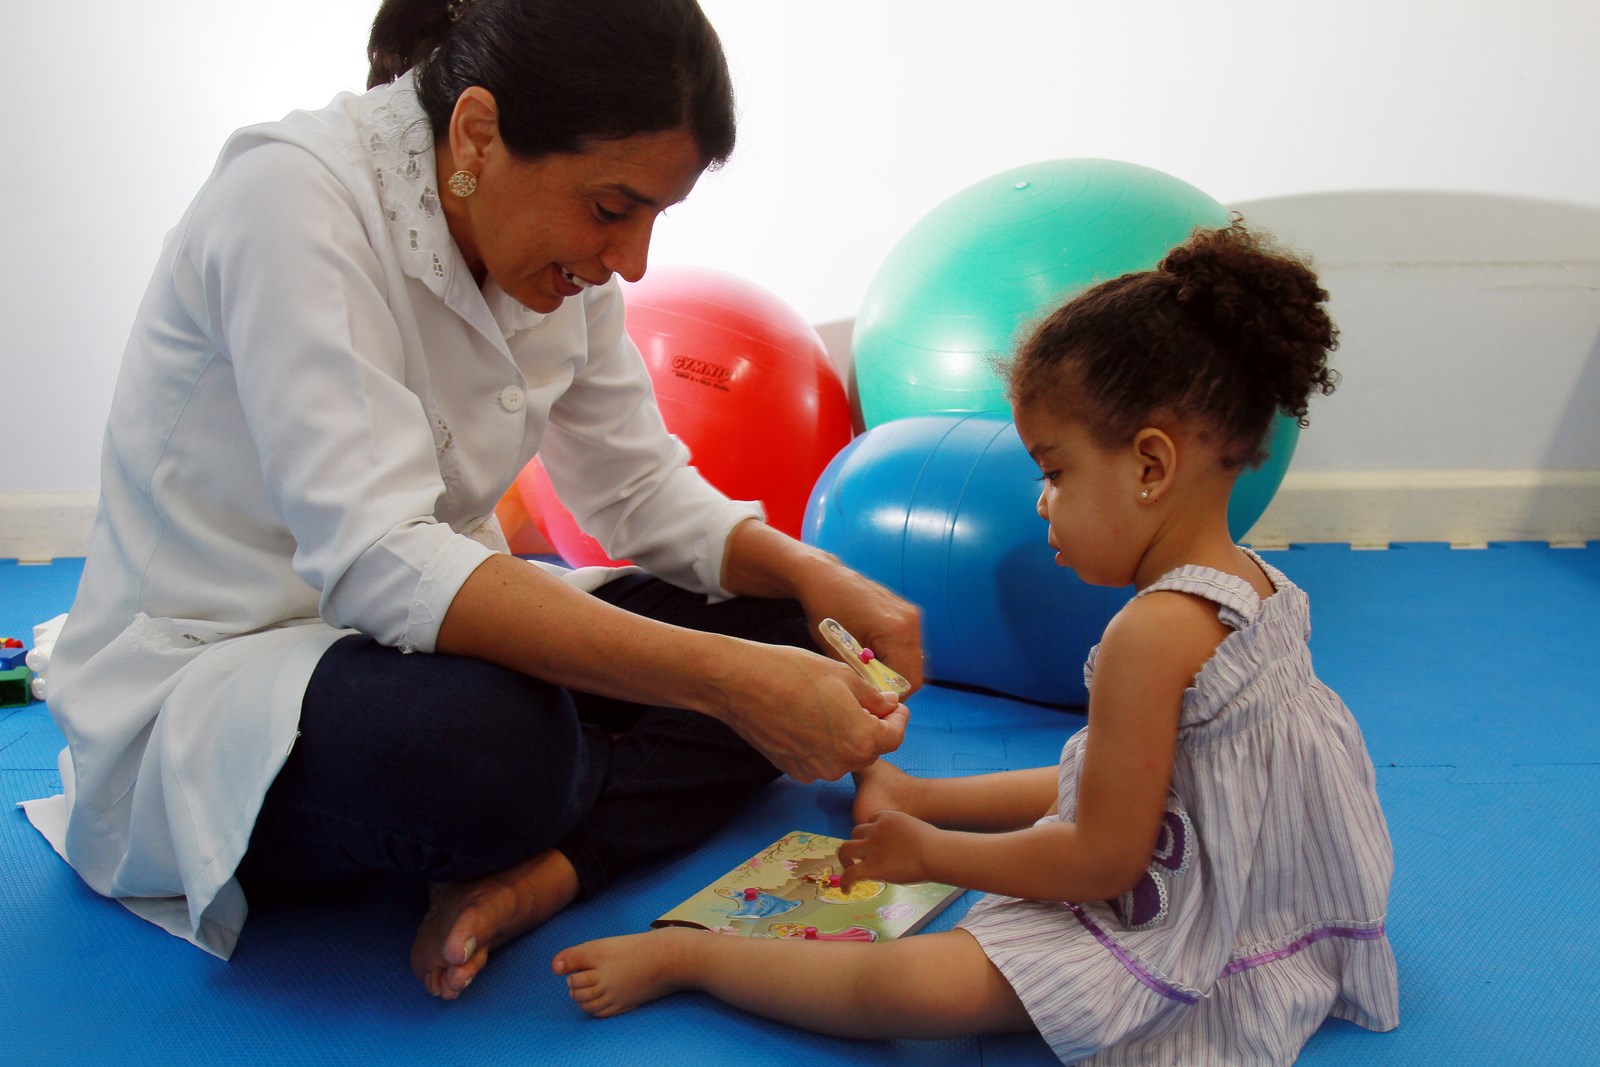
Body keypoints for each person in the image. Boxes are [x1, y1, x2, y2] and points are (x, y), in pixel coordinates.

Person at [21, 0, 920, 1002]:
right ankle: (569, 797)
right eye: (614, 207)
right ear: (478, 134)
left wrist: (815, 572)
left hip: (427, 637)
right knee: (491, 753)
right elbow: (375, 558)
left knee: (792, 628)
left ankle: (548, 869)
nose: (633, 262)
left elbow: (636, 486)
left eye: (655, 217)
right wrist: (723, 685)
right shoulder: (290, 199)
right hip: (233, 670)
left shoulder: (558, 257)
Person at [553, 221, 1400, 1065]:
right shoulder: (1260, 582)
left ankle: (694, 954)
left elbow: (1104, 855)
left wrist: (933, 856)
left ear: (1150, 466)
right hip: (1275, 902)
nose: (1040, 503)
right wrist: (923, 808)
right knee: (1101, 763)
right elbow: (1142, 776)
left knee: (904, 989)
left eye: (1054, 471)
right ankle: (915, 792)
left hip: (1184, 921)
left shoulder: (1151, 632)